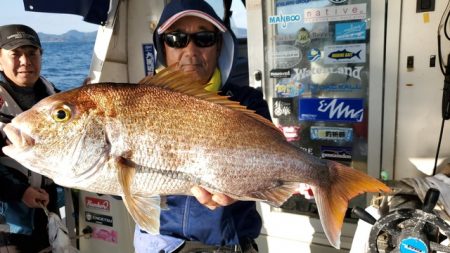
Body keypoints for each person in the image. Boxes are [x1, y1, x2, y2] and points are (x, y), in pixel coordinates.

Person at [133, 1, 271, 253]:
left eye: (204, 38)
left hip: (229, 247)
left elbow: (270, 164)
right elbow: (116, 188)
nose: (191, 51)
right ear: (163, 47)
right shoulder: (140, 104)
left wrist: (241, 187)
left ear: (219, 46)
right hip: (161, 246)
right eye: (176, 39)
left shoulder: (248, 102)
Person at [0, 24, 59, 253]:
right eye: (16, 54)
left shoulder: (54, 96)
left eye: (32, 53)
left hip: (48, 212)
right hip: (8, 224)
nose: (25, 61)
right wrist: (19, 192)